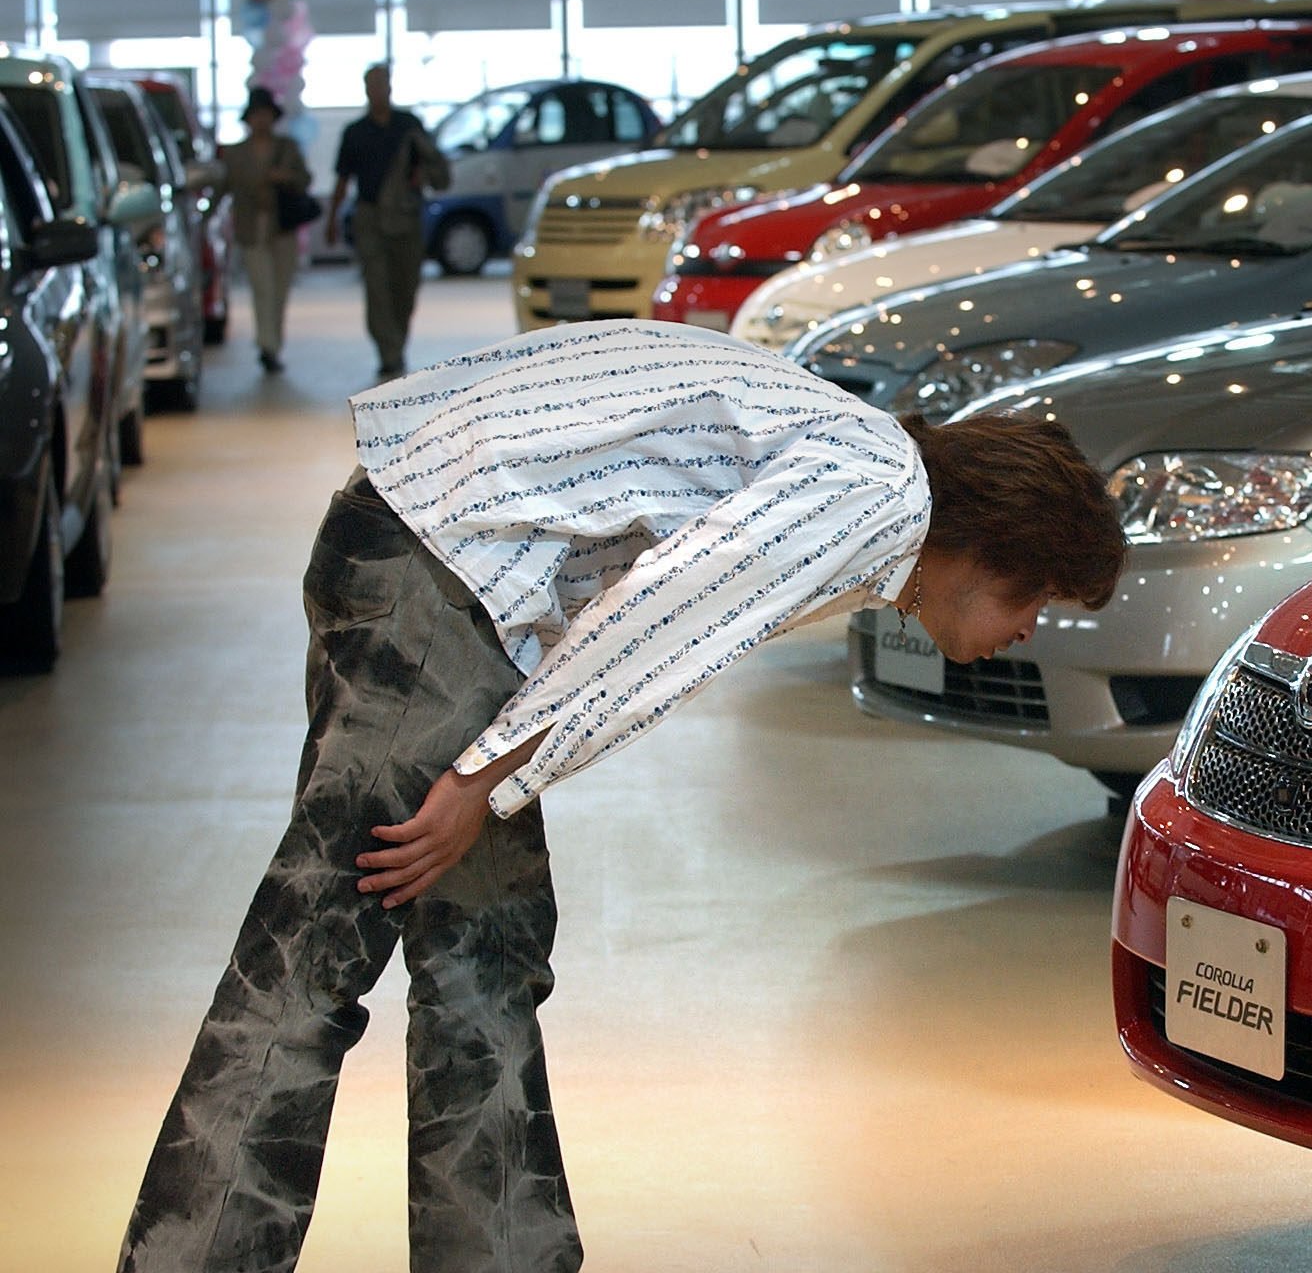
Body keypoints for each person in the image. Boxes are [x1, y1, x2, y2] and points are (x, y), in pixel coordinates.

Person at [114, 318, 1128, 1272]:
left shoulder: (861, 463)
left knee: (482, 960)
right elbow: (662, 618)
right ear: (996, 543)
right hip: (437, 574)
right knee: (314, 953)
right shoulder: (876, 496)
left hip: (424, 553)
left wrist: (497, 759)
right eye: (1035, 597)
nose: (1029, 627)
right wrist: (481, 773)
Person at [324, 62, 449, 380]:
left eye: (382, 84)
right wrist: (332, 219)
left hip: (407, 217)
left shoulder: (409, 126)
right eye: (372, 85)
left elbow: (437, 170)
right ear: (366, 89)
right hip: (370, 217)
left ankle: (397, 342)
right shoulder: (355, 133)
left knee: (404, 286)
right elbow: (342, 178)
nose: (378, 90)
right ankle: (388, 351)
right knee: (377, 287)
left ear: (390, 87)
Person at [221, 86, 312, 374]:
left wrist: (285, 177)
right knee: (263, 288)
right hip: (251, 228)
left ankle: (273, 342)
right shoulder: (234, 153)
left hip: (282, 229)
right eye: (256, 115)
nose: (261, 121)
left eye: (266, 115)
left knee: (280, 290)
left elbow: (305, 179)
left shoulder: (288, 148)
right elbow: (222, 188)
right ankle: (267, 345)